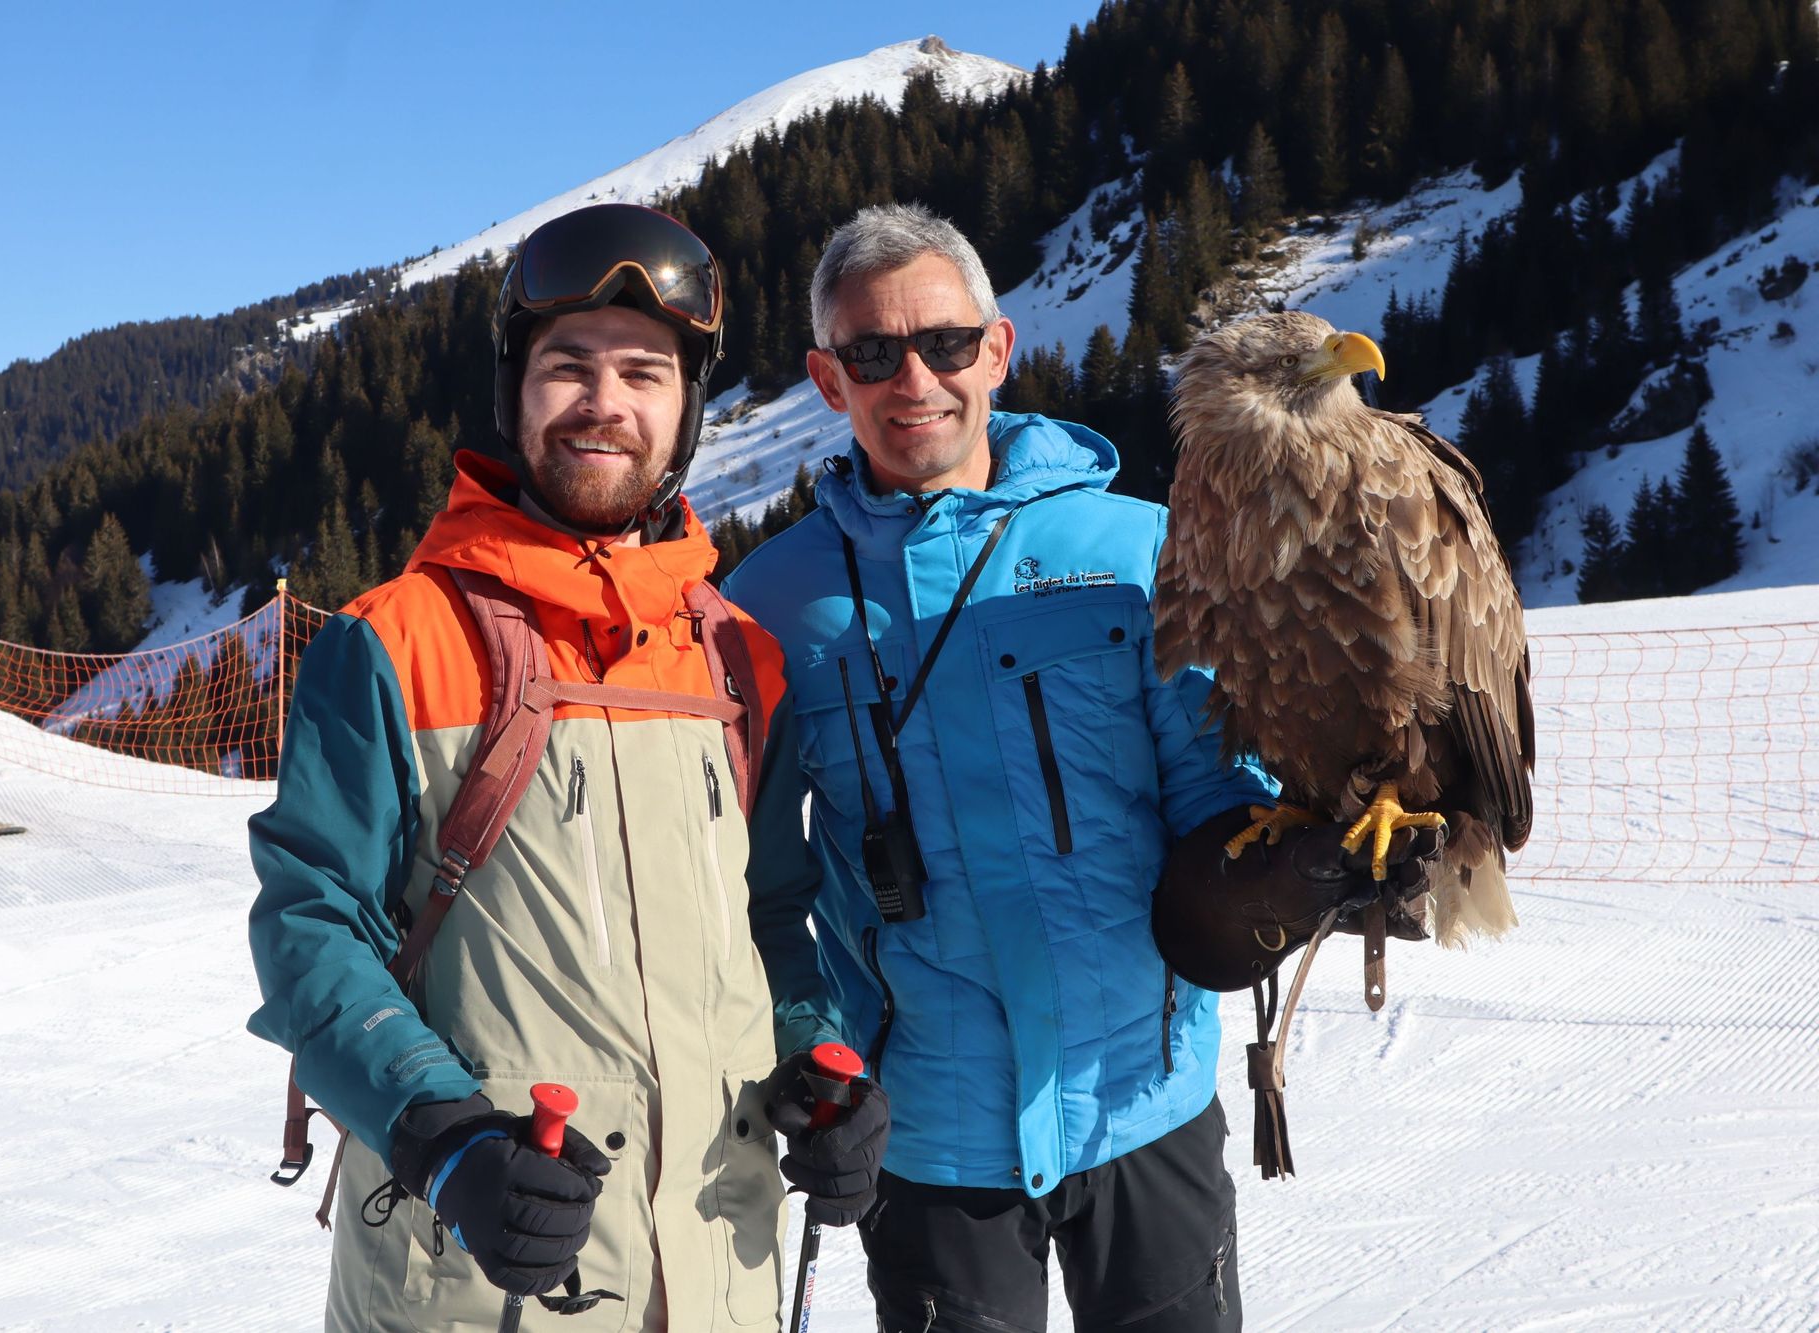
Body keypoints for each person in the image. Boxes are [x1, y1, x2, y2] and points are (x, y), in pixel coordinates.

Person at [726, 203, 1439, 1332]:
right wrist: (807, 1051)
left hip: (1139, 1106)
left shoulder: (1138, 550)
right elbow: (761, 891)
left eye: (945, 343)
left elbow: (1217, 797)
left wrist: (1299, 870)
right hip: (922, 1131)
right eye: (871, 353)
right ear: (827, 378)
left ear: (996, 349)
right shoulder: (764, 606)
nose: (913, 377)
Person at [246, 203, 878, 1332]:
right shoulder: (393, 641)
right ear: (515, 392)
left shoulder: (740, 658)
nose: (605, 402)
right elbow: (310, 928)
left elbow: (771, 919)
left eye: (644, 371)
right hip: (482, 1271)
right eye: (567, 367)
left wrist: (813, 1065)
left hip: (711, 1269)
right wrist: (444, 1138)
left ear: (687, 408)